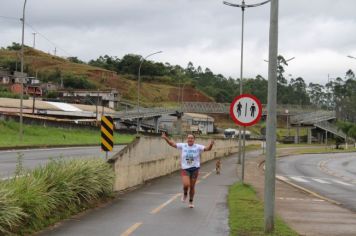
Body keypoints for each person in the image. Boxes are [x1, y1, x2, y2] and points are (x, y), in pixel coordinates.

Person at [161, 132, 214, 208]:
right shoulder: (183, 146)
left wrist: (211, 144)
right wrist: (165, 138)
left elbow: (207, 149)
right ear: (187, 139)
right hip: (185, 169)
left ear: (194, 140)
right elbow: (172, 144)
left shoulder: (198, 147)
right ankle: (185, 193)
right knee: (186, 184)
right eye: (189, 138)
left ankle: (191, 201)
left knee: (192, 187)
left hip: (195, 169)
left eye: (192, 138)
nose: (190, 139)